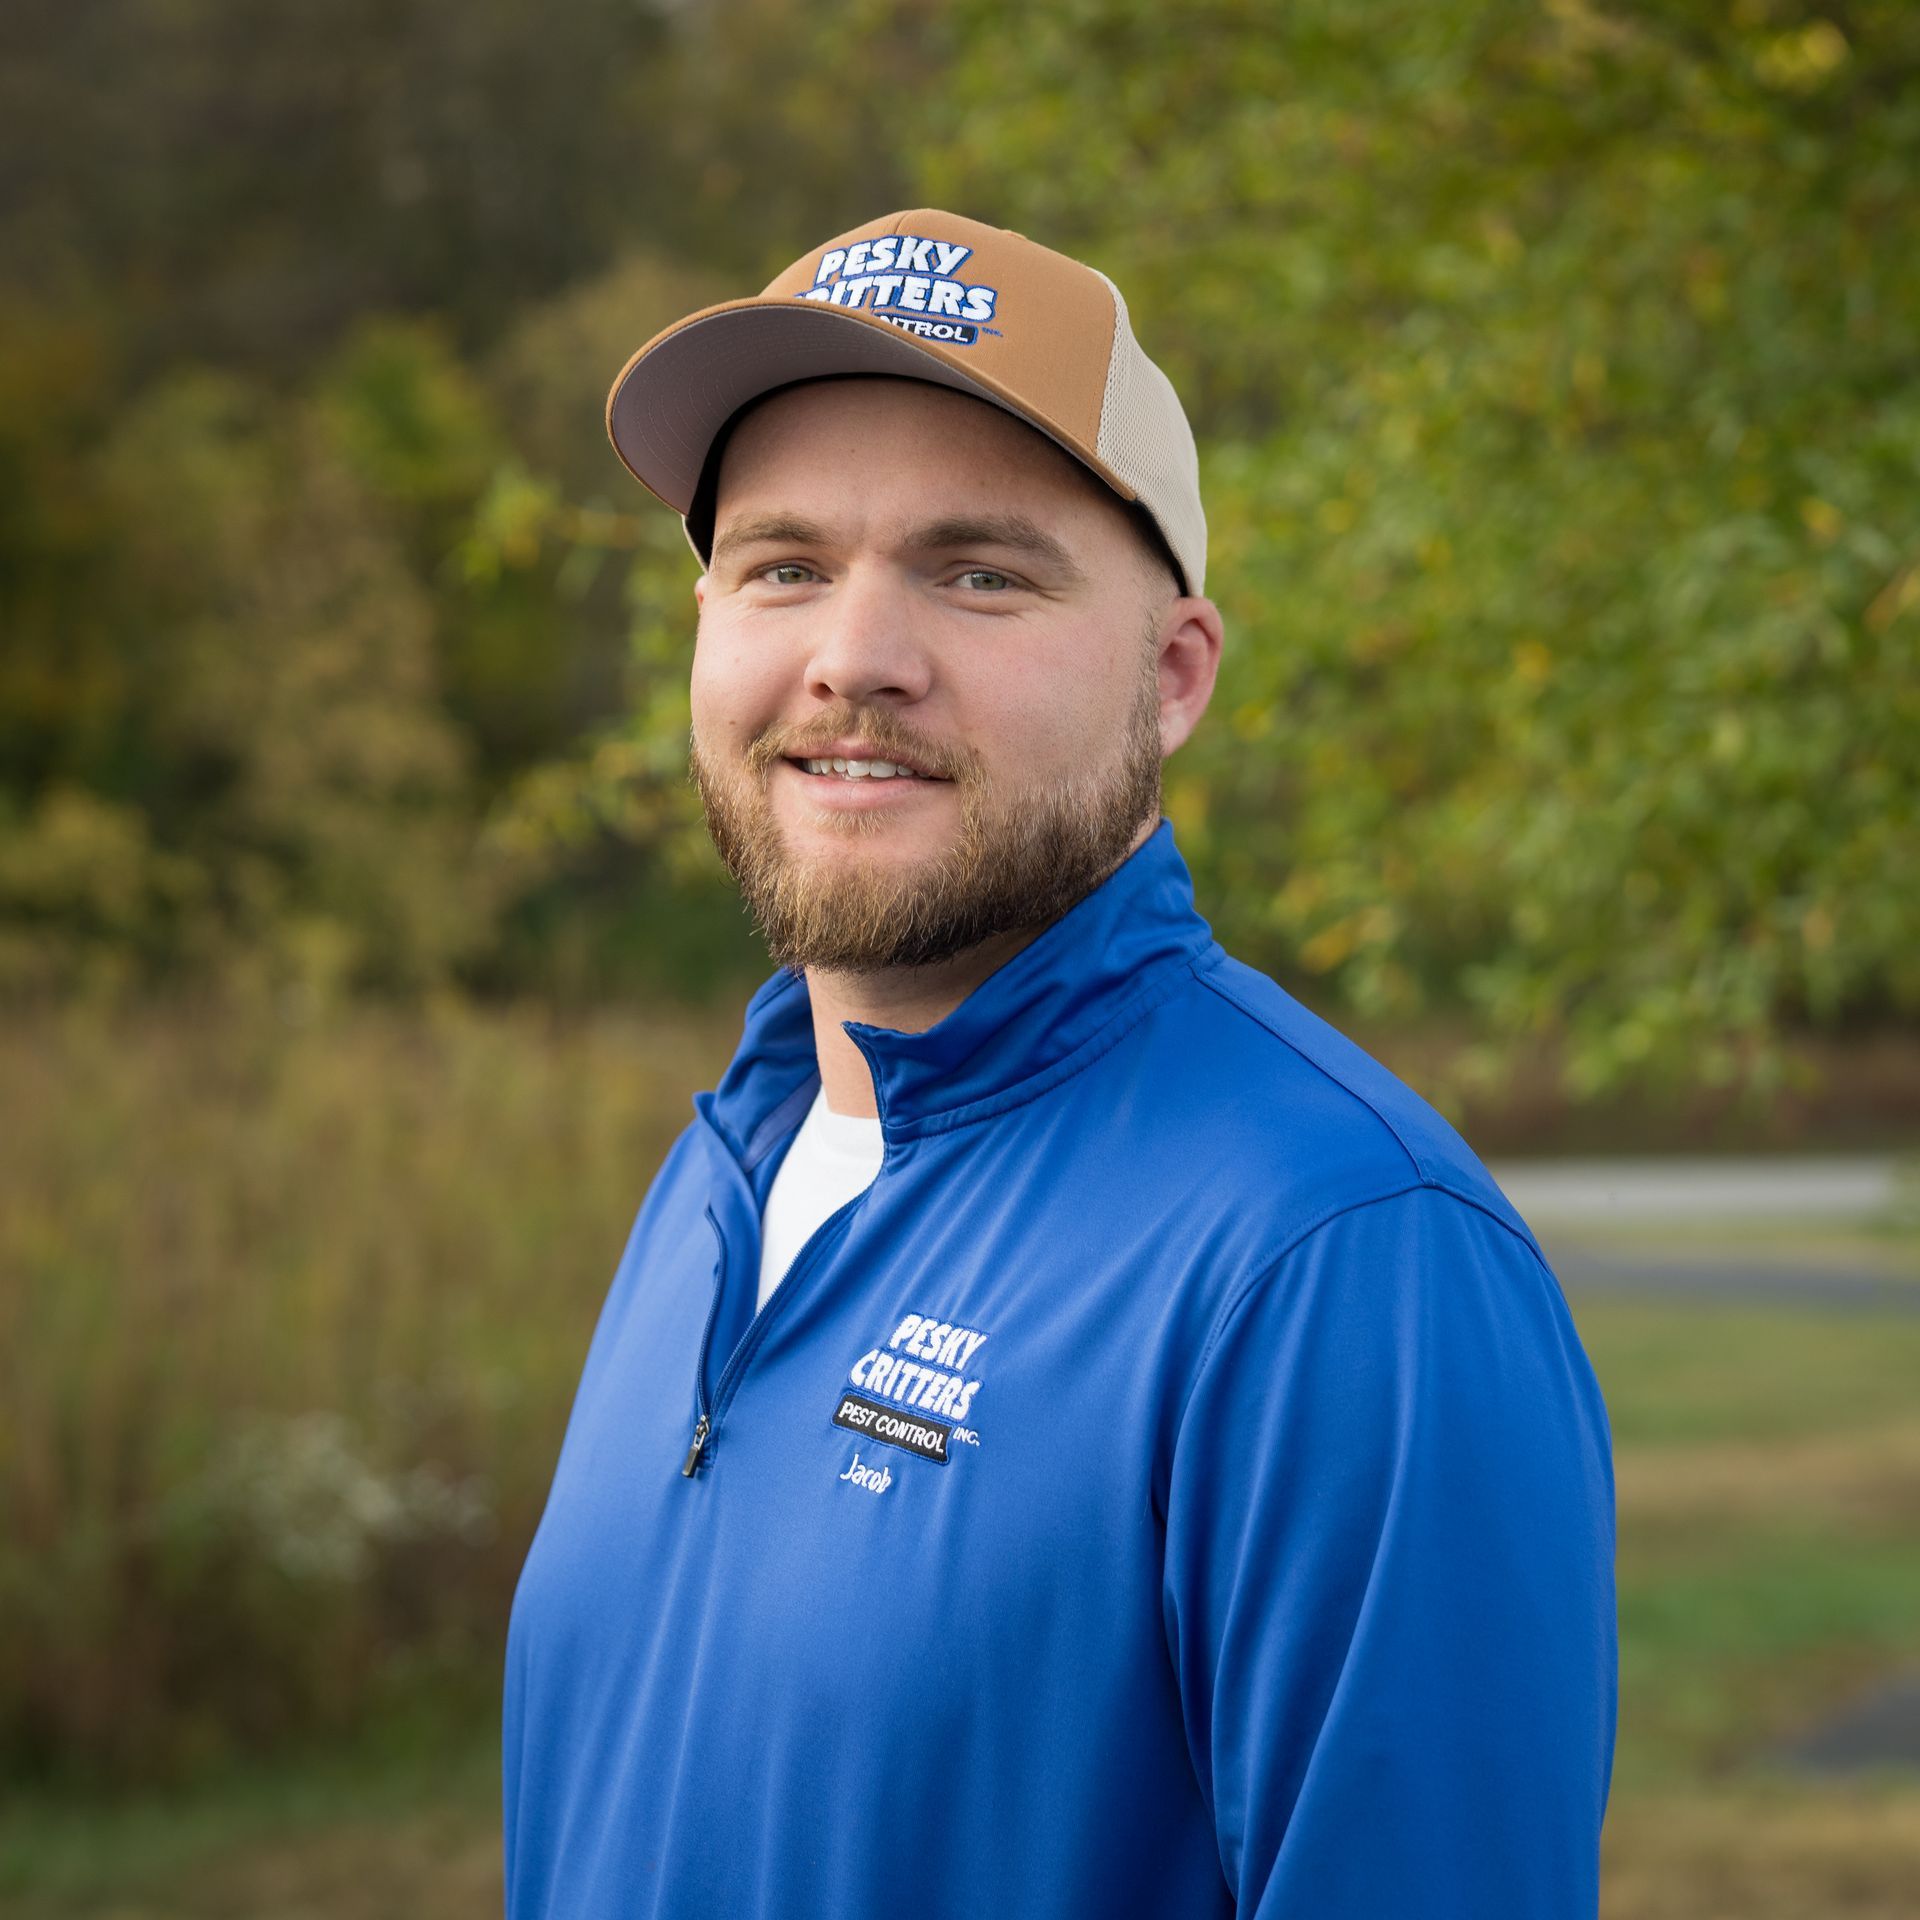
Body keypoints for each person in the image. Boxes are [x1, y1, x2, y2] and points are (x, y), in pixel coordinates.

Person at [502, 209, 1617, 1919]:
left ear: (1172, 679)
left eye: (979, 571)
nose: (853, 656)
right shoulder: (726, 1172)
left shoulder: (1336, 1260)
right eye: (782, 564)